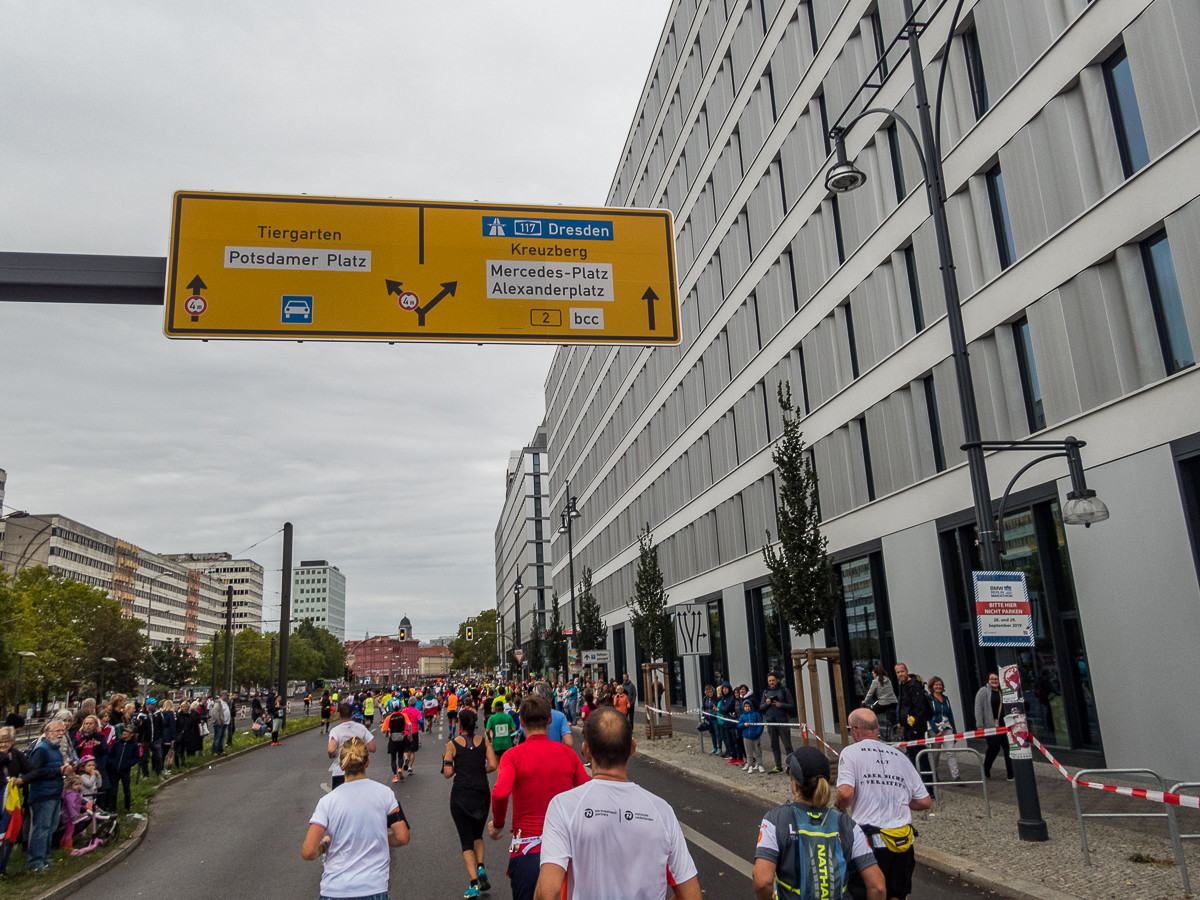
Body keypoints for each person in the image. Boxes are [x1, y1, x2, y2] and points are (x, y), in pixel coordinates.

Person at [534, 707, 699, 900]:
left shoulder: (563, 806)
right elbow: (691, 896)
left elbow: (547, 893)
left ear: (586, 751)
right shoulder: (662, 812)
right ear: (632, 748)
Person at [488, 694, 589, 900]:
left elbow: (499, 793)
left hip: (527, 848)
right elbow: (587, 793)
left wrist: (498, 823)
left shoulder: (513, 755)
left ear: (521, 722)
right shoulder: (568, 754)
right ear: (550, 719)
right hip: (565, 849)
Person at [753, 746, 886, 900]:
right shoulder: (847, 824)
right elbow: (878, 886)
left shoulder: (776, 819)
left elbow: (762, 881)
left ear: (794, 784)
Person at [836, 710, 931, 900]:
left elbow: (845, 793)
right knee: (896, 895)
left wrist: (840, 807)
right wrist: (899, 800)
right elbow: (924, 801)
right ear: (877, 729)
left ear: (855, 730)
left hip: (869, 842)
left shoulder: (850, 753)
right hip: (902, 842)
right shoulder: (900, 756)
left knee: (867, 892)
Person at [301, 737, 410, 898]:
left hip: (334, 889)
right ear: (367, 762)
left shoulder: (327, 802)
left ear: (341, 765)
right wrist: (376, 836)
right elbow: (402, 837)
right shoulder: (385, 794)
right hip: (373, 887)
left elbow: (308, 852)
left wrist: (324, 844)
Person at [443, 708, 497, 899]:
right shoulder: (484, 741)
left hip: (461, 796)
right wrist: (478, 771)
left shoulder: (452, 744)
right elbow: (492, 765)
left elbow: (448, 773)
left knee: (466, 839)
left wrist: (456, 767)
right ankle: (481, 866)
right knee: (478, 834)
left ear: (460, 724)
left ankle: (473, 884)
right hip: (482, 793)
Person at [24, 720, 72, 872]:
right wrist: (59, 771)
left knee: (50, 828)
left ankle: (44, 857)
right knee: (41, 828)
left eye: (62, 731)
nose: (60, 733)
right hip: (43, 795)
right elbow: (35, 772)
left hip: (54, 792)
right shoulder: (41, 750)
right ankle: (35, 862)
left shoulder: (55, 749)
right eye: (57, 731)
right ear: (47, 733)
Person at [0, 726, 32, 876]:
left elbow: (31, 770)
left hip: (10, 801)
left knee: (9, 832)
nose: (3, 744)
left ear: (12, 741)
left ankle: (2, 867)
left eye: (6, 741)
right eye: (0, 741)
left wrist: (22, 779)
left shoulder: (17, 755)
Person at [327, 702, 376, 789]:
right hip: (358, 772)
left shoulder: (335, 731)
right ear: (352, 714)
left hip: (340, 771)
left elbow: (331, 750)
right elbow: (373, 748)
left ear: (339, 715)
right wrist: (360, 747)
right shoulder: (361, 728)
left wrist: (333, 755)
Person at [974, 673, 1012, 780]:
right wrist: (980, 725)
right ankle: (986, 767)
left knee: (1008, 748)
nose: (994, 680)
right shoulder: (983, 692)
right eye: (992, 679)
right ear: (988, 680)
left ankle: (1011, 774)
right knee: (994, 748)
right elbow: (978, 709)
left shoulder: (1003, 692)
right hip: (991, 726)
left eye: (996, 679)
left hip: (1005, 726)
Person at [893, 664, 930, 775]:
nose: (900, 674)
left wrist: (916, 728)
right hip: (907, 727)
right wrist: (900, 720)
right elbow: (902, 705)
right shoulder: (902, 685)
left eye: (902, 671)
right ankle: (916, 782)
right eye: (898, 672)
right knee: (911, 755)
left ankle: (928, 787)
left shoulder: (915, 686)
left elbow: (919, 708)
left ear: (907, 671)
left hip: (915, 728)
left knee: (920, 757)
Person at [759, 673, 796, 773]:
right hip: (771, 722)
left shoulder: (784, 690)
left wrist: (781, 705)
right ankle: (778, 766)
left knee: (787, 745)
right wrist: (766, 704)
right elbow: (761, 708)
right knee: (774, 745)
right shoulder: (766, 692)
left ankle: (791, 766)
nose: (771, 682)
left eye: (773, 680)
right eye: (769, 681)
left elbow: (792, 705)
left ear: (777, 680)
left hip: (782, 721)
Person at [927, 676, 960, 781]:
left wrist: (954, 731)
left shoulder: (946, 699)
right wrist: (936, 731)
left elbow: (950, 715)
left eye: (940, 684)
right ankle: (934, 774)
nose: (938, 686)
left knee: (951, 751)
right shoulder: (929, 699)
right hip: (934, 728)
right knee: (935, 753)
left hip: (947, 727)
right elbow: (928, 716)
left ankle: (956, 776)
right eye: (936, 685)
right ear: (932, 686)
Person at [863, 666, 898, 731]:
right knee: (893, 717)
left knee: (871, 713)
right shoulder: (887, 679)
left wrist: (865, 701)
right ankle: (895, 730)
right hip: (894, 702)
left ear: (875, 673)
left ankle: (874, 729)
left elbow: (870, 693)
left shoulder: (875, 681)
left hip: (883, 703)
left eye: (873, 673)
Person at [382, 703, 408, 783]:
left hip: (393, 739)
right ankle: (400, 768)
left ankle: (395, 776)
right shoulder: (403, 715)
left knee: (393, 758)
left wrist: (388, 730)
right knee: (400, 755)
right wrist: (409, 733)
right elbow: (409, 724)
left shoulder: (389, 717)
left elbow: (382, 730)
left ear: (392, 708)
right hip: (401, 737)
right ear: (399, 707)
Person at [738, 699, 765, 773]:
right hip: (746, 737)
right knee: (748, 753)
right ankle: (750, 766)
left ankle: (760, 765)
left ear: (751, 706)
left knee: (758, 752)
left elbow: (761, 724)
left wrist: (758, 733)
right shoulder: (742, 716)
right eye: (745, 706)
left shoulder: (756, 714)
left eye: (748, 706)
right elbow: (739, 725)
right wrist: (743, 725)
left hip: (756, 736)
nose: (747, 708)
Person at [210, 692, 230, 756]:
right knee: (217, 738)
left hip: (225, 722)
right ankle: (214, 751)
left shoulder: (225, 702)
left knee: (222, 738)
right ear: (223, 695)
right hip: (219, 723)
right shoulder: (218, 702)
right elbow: (215, 713)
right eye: (227, 695)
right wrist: (218, 721)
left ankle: (220, 750)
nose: (227, 697)